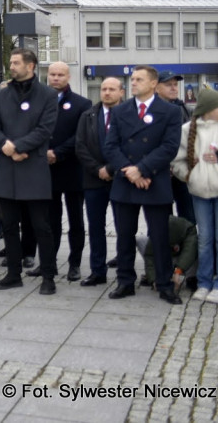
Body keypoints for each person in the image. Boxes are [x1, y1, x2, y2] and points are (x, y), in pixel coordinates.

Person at [104, 65, 184, 304]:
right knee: (124, 235)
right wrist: (131, 172)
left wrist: (143, 169)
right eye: (132, 79)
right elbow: (110, 146)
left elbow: (169, 147)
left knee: (160, 237)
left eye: (139, 79)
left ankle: (164, 284)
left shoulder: (169, 112)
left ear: (152, 84)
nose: (133, 83)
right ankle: (125, 281)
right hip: (126, 181)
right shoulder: (120, 111)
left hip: (154, 180)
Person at [0, 49, 59, 294]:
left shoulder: (48, 95)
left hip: (33, 167)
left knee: (41, 226)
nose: (12, 66)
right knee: (8, 225)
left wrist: (18, 146)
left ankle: (48, 276)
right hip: (8, 168)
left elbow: (45, 129)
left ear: (31, 66)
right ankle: (13, 274)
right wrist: (5, 146)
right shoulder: (2, 95)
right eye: (10, 61)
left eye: (16, 62)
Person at [172, 87, 218, 303]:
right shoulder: (186, 130)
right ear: (209, 109)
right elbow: (177, 160)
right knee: (204, 238)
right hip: (199, 191)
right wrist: (189, 176)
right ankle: (204, 282)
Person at [40, 62, 92, 282]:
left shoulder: (82, 104)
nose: (56, 78)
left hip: (72, 169)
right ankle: (48, 264)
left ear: (68, 77)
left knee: (75, 220)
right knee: (50, 220)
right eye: (52, 74)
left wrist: (57, 153)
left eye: (60, 75)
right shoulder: (39, 102)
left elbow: (81, 136)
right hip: (46, 171)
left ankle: (74, 264)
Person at [75, 77, 124, 287]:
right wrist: (97, 170)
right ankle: (97, 271)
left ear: (121, 92)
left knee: (124, 227)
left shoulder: (129, 116)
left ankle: (124, 270)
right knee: (95, 227)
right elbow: (80, 146)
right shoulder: (88, 116)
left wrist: (111, 169)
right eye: (104, 89)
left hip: (121, 178)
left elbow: (130, 146)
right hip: (93, 179)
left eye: (112, 89)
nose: (106, 93)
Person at [158, 71, 195, 224]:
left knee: (189, 218)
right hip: (161, 172)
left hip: (183, 172)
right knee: (161, 219)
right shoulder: (153, 110)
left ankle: (188, 246)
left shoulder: (186, 110)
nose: (173, 88)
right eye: (168, 85)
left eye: (175, 85)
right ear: (156, 87)